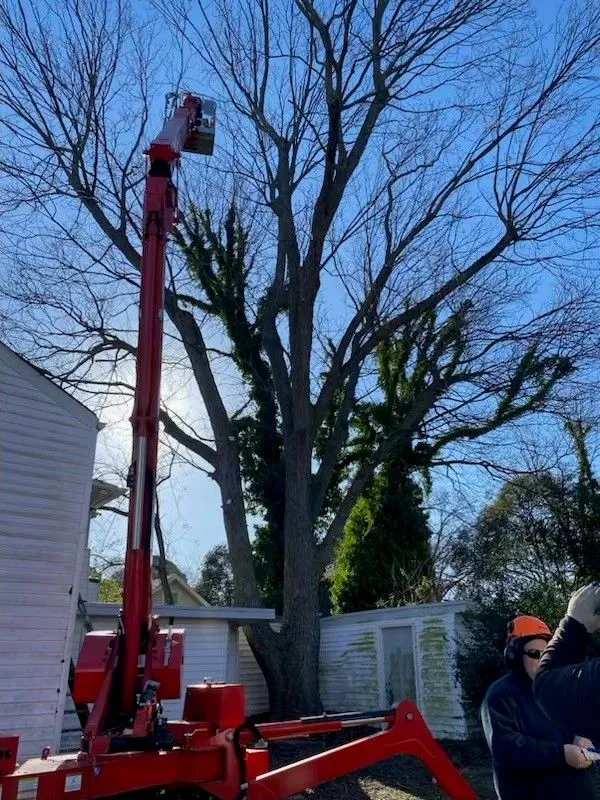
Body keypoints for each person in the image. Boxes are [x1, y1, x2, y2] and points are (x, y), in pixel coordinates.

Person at [480, 614, 596, 800]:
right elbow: (506, 747)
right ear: (515, 655)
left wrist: (580, 735)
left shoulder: (557, 689)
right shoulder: (499, 695)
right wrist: (561, 754)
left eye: (548, 653)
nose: (543, 660)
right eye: (535, 654)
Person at [534, 582, 600, 741]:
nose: (539, 657)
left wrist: (573, 624)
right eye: (535, 653)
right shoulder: (499, 693)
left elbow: (548, 687)